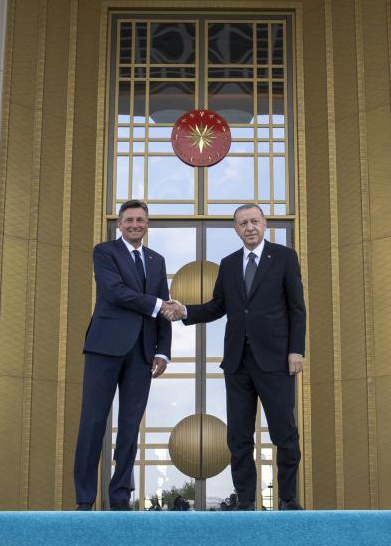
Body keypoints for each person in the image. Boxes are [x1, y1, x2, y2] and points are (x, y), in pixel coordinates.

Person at [163, 203, 306, 510]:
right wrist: (185, 311)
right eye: (243, 223)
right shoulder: (228, 264)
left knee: (284, 434)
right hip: (237, 362)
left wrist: (296, 350)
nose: (249, 227)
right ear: (236, 229)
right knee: (239, 437)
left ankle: (288, 499)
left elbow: (297, 307)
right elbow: (218, 306)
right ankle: (245, 501)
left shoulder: (284, 257)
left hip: (276, 360)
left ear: (264, 224)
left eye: (254, 221)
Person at [72, 200, 174, 510]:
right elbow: (115, 292)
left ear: (147, 224)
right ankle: (84, 499)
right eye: (129, 220)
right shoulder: (104, 252)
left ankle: (119, 498)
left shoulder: (156, 260)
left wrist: (163, 351)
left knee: (130, 428)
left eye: (140, 220)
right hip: (104, 348)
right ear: (119, 224)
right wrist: (157, 305)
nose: (135, 225)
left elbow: (164, 305)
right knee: (93, 422)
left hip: (142, 353)